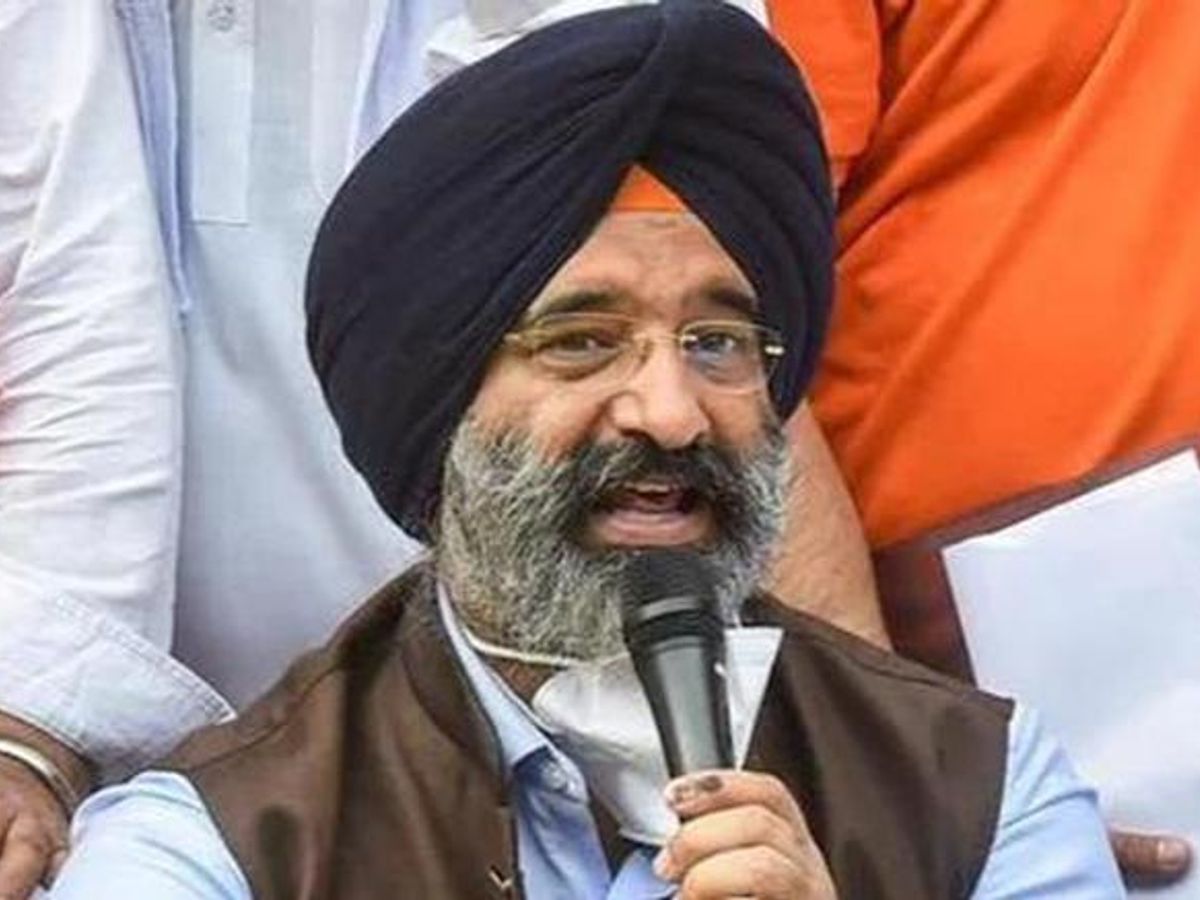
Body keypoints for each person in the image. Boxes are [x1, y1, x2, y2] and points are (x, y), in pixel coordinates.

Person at [48, 6, 1120, 897]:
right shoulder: (217, 846)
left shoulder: (981, 789)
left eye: (717, 342)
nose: (671, 413)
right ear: (440, 400)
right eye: (582, 342)